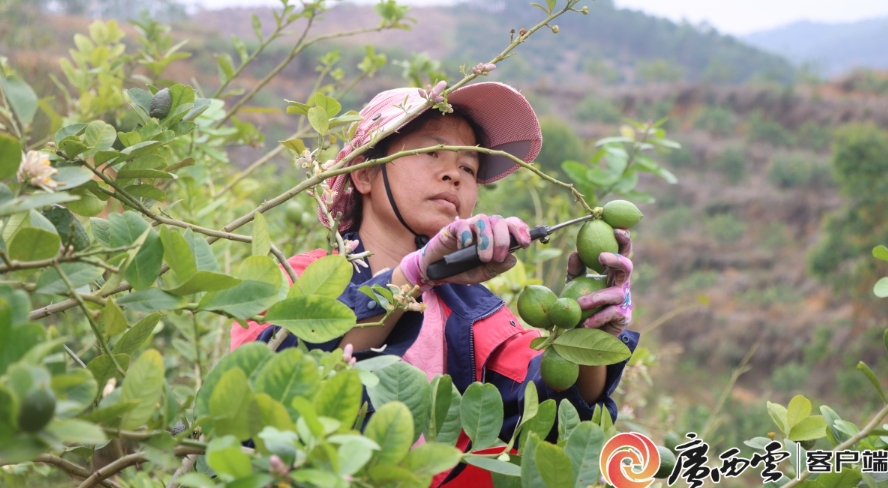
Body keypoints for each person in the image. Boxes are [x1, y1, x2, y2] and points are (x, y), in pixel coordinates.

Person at [230, 82, 638, 486]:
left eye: (469, 168)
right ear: (366, 174)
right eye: (430, 152)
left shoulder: (483, 317)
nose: (453, 175)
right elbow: (264, 392)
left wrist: (587, 339)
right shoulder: (298, 281)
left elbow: (545, 425)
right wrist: (413, 276)